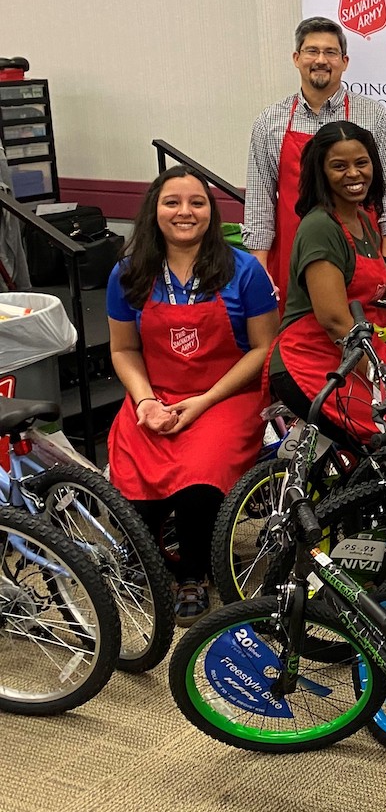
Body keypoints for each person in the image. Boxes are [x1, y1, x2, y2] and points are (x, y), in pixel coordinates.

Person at [107, 167, 279, 624]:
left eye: (196, 203)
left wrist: (202, 401)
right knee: (135, 489)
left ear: (211, 210)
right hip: (155, 393)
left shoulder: (244, 271)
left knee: (199, 484)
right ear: (154, 211)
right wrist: (144, 401)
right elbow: (123, 349)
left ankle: (194, 576)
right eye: (172, 202)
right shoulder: (127, 273)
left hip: (226, 396)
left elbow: (264, 348)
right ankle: (154, 556)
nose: (185, 211)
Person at [267, 121, 386, 445]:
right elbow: (334, 321)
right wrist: (380, 377)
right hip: (312, 359)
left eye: (361, 163)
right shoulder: (320, 226)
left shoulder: (361, 218)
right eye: (339, 166)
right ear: (321, 172)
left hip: (353, 351)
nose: (353, 174)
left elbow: (370, 281)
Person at [244, 17, 386, 305]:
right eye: (311, 51)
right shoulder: (269, 123)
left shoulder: (376, 119)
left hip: (361, 261)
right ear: (296, 58)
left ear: (344, 61)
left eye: (330, 52)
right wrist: (260, 271)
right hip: (293, 262)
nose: (321, 60)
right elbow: (260, 205)